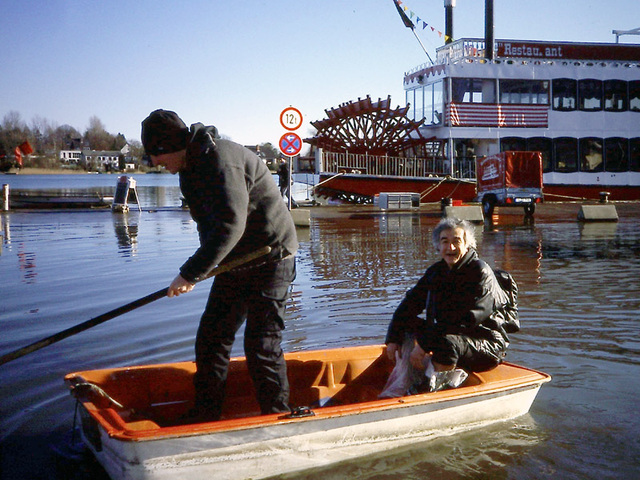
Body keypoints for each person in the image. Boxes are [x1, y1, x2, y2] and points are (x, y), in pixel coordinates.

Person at [141, 109, 298, 420]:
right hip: (237, 260)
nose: (156, 164)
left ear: (172, 145)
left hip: (272, 257)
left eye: (157, 156)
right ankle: (207, 415)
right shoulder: (188, 168)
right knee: (212, 337)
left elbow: (229, 225)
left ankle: (278, 418)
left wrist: (190, 273)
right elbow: (208, 228)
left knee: (261, 345)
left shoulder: (221, 161)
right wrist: (203, 268)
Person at [385, 217, 510, 390]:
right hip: (450, 336)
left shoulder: (480, 272)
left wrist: (424, 345)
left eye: (456, 241)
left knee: (446, 342)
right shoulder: (436, 272)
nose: (450, 248)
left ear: (467, 245)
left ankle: (434, 390)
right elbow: (409, 306)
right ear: (438, 246)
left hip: (486, 344)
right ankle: (409, 379)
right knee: (405, 324)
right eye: (445, 241)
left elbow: (466, 321)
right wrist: (392, 338)